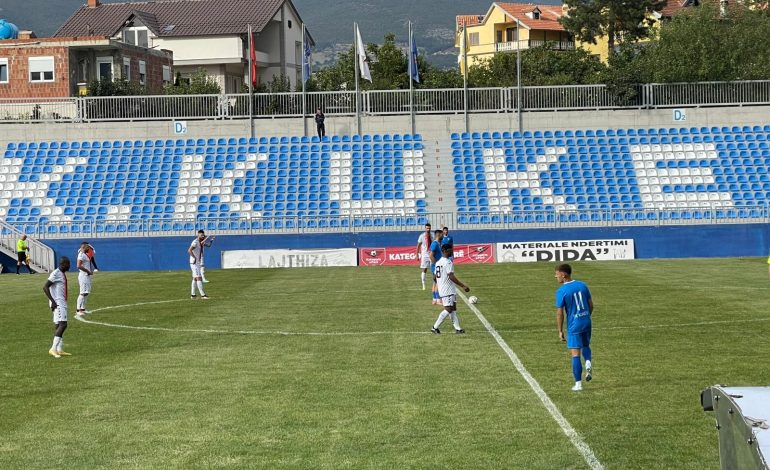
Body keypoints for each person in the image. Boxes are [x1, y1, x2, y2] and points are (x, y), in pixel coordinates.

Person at [554, 263, 594, 392]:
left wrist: (560, 330)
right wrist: (586, 316)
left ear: (564, 274)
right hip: (586, 321)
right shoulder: (582, 285)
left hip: (574, 325)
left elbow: (560, 313)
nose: (556, 276)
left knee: (575, 354)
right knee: (586, 345)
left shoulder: (562, 291)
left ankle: (578, 384)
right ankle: (588, 361)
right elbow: (591, 305)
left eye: (557, 273)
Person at [431, 244, 469, 334]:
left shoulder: (438, 262)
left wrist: (440, 283)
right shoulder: (448, 262)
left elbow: (434, 277)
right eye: (450, 250)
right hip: (447, 290)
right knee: (448, 309)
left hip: (445, 289)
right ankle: (434, 327)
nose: (452, 251)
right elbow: (451, 276)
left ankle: (458, 329)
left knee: (453, 308)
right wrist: (463, 286)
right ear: (445, 251)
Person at [43, 257, 71, 358]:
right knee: (63, 324)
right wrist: (53, 302)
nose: (69, 266)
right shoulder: (56, 273)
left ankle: (59, 349)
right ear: (63, 264)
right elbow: (45, 287)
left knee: (58, 324)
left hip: (61, 302)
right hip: (58, 303)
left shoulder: (61, 273)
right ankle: (53, 349)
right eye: (68, 264)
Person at [188, 230, 209, 300]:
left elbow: (208, 245)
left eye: (203, 235)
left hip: (196, 262)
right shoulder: (195, 242)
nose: (203, 236)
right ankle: (203, 295)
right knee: (199, 277)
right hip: (194, 262)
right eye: (201, 235)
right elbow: (189, 250)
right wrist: (194, 258)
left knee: (194, 278)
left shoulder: (200, 242)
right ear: (198, 235)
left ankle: (193, 295)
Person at [76, 242, 94, 317]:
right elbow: (78, 266)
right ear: (83, 247)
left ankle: (83, 309)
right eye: (87, 247)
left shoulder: (85, 254)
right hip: (84, 276)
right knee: (83, 292)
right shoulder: (81, 255)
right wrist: (87, 271)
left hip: (87, 275)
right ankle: (78, 310)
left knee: (86, 292)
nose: (89, 248)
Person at [429, 229, 444, 305]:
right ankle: (438, 299)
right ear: (438, 235)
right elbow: (431, 255)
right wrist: (436, 264)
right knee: (438, 282)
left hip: (435, 266)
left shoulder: (438, 243)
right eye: (442, 234)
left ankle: (434, 299)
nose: (443, 235)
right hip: (436, 266)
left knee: (435, 282)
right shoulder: (435, 244)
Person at [416, 223, 432, 290]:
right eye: (427, 228)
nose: (428, 229)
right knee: (424, 269)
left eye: (429, 228)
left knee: (434, 269)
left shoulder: (433, 235)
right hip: (425, 255)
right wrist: (417, 254)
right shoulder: (421, 236)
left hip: (432, 254)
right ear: (425, 228)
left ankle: (436, 283)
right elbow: (418, 245)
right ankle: (423, 284)